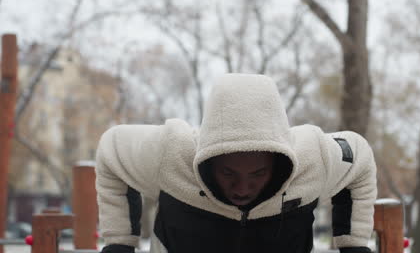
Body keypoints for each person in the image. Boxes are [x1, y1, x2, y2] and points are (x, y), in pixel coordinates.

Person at [95, 73, 377, 253]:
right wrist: (119, 242)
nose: (242, 188)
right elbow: (111, 149)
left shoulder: (315, 159)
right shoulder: (170, 154)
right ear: (207, 158)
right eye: (228, 173)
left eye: (257, 174)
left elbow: (360, 157)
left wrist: (353, 244)